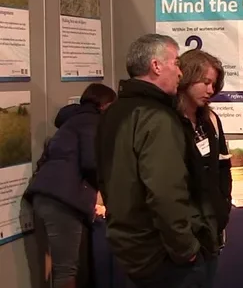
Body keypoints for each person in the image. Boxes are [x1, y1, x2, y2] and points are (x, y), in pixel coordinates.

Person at [96, 34, 208, 288]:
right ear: (156, 66)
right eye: (176, 63)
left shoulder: (112, 112)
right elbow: (165, 192)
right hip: (162, 255)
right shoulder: (157, 118)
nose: (181, 73)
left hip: (128, 248)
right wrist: (185, 247)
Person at [24, 83, 116, 288]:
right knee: (66, 269)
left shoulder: (71, 121)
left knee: (57, 266)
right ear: (105, 105)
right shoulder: (92, 122)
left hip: (44, 197)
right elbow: (92, 163)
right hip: (62, 202)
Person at [176, 49, 233, 287]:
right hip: (183, 231)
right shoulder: (167, 120)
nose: (211, 90)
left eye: (214, 84)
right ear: (187, 78)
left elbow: (223, 168)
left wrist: (223, 206)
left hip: (211, 228)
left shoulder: (211, 119)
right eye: (205, 82)